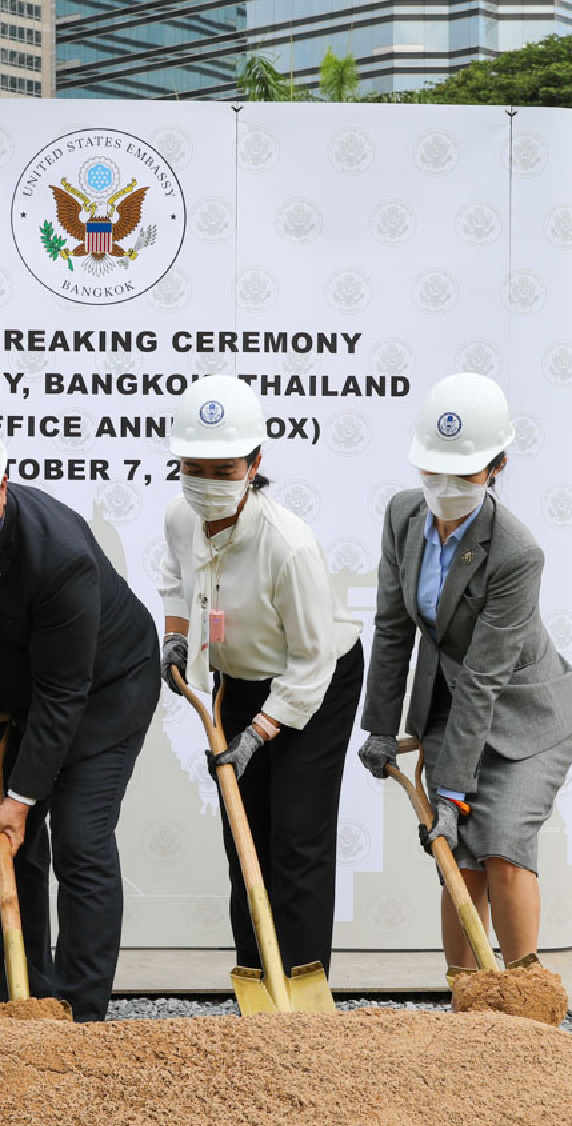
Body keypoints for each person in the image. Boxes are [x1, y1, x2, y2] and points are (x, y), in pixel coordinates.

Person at [0, 403, 157, 1021]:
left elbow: (64, 695)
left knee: (79, 840)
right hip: (14, 695)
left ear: (4, 482)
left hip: (104, 694)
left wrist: (20, 797)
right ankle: (22, 1003)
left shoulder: (59, 555)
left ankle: (80, 1015)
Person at [357, 372, 572, 980]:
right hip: (446, 707)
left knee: (503, 847)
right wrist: (379, 727)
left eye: (466, 473)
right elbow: (392, 628)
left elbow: (485, 677)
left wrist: (451, 791)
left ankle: (528, 1000)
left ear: (499, 465)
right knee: (460, 860)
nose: (446, 486)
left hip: (526, 718)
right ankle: (470, 1005)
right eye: (433, 471)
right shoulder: (404, 516)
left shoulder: (515, 551)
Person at [157, 376, 363, 980]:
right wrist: (174, 635)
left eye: (224, 470)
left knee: (295, 838)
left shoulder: (287, 546)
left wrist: (260, 733)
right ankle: (256, 974)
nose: (207, 482)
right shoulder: (180, 517)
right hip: (237, 680)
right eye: (194, 467)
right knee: (243, 832)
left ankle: (300, 982)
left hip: (314, 682)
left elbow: (312, 659)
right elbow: (176, 579)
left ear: (254, 464)